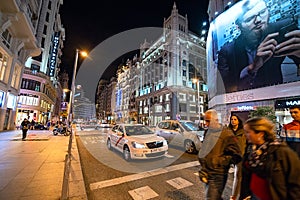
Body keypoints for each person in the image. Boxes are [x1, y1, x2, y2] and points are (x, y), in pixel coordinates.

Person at [217, 0, 300, 93]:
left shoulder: (282, 29)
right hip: (244, 99)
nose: (258, 20)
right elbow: (225, 88)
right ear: (238, 27)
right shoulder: (227, 52)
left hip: (277, 94)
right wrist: (252, 68)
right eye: (249, 19)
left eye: (262, 12)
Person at [240, 117, 300, 200]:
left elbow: (294, 183)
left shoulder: (281, 151)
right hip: (254, 196)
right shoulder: (251, 150)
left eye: (248, 132)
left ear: (260, 133)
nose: (245, 135)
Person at [198, 109, 242, 200]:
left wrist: (219, 161)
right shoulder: (207, 132)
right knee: (214, 197)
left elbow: (237, 155)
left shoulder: (227, 134)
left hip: (218, 174)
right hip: (206, 171)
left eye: (208, 121)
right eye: (205, 120)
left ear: (216, 120)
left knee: (212, 198)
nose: (205, 124)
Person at [228, 114, 247, 200]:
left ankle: (234, 196)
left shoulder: (243, 132)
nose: (233, 121)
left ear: (238, 121)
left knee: (238, 176)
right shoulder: (228, 131)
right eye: (232, 119)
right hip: (230, 156)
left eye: (235, 119)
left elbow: (246, 143)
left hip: (240, 156)